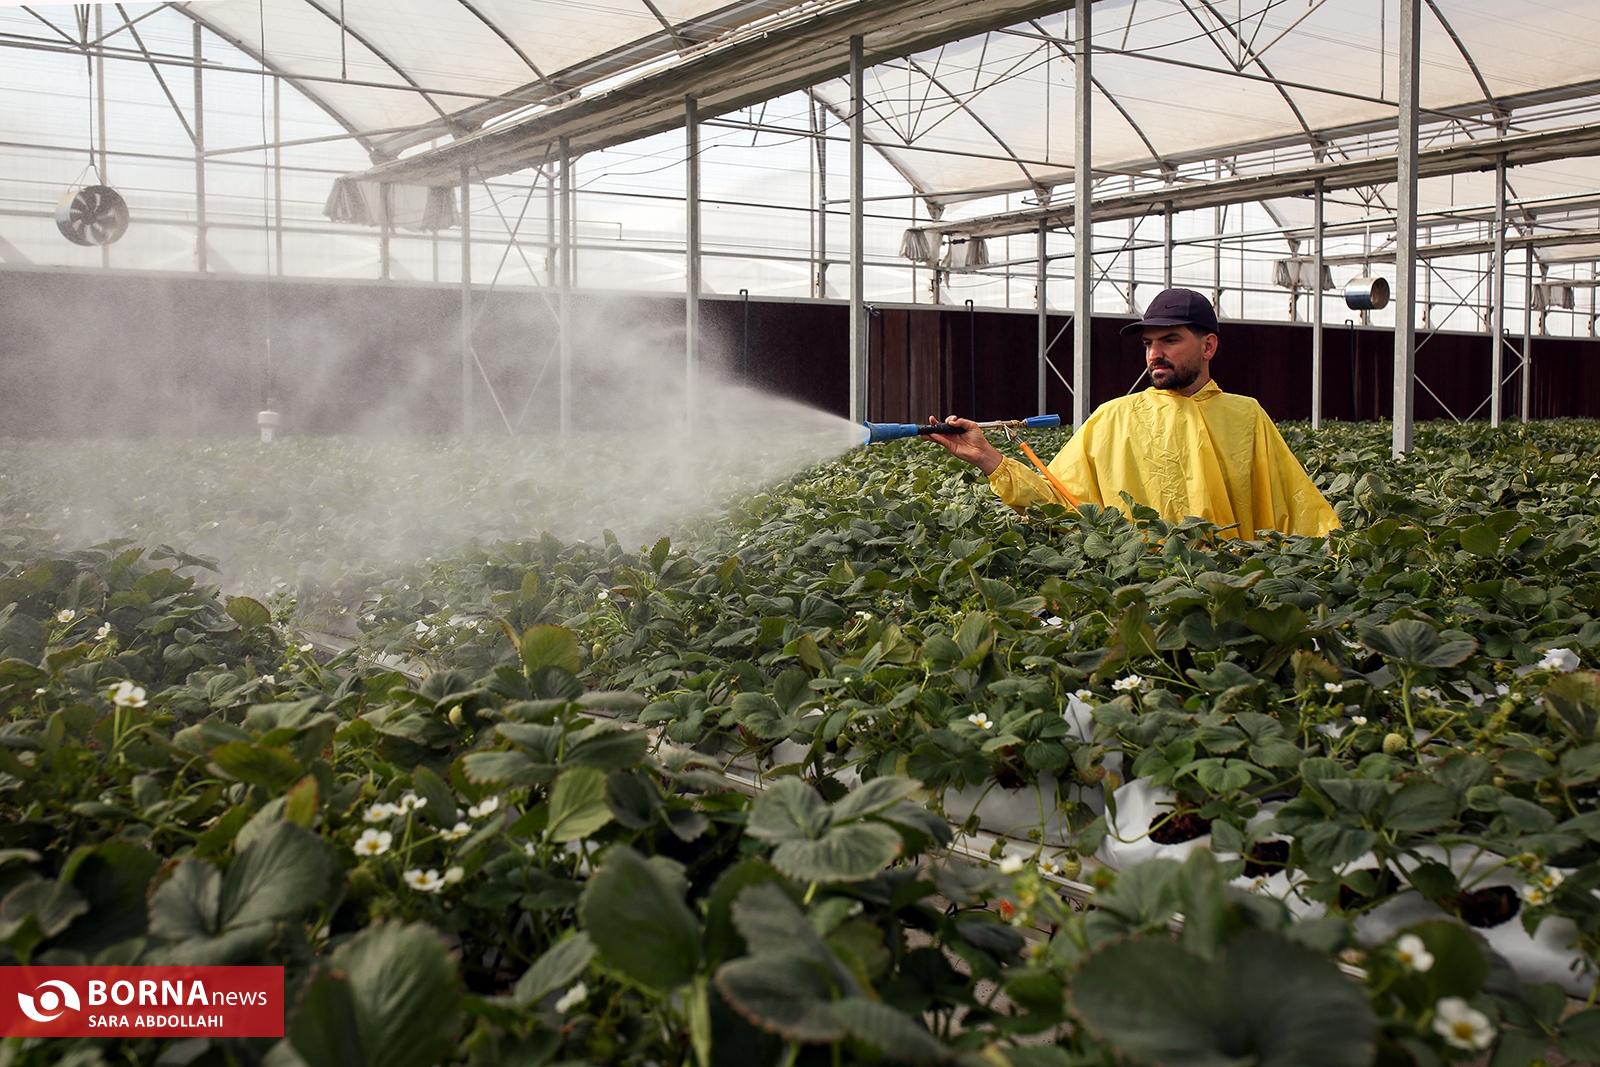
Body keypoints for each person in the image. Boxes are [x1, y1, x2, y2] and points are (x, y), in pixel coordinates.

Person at [930, 287, 1338, 538]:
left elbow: (1296, 510)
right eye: (1148, 343)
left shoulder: (1246, 417)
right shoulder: (1113, 418)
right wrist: (988, 459)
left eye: (1170, 340)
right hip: (1139, 591)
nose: (1154, 353)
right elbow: (1060, 501)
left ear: (1208, 346)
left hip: (1230, 592)